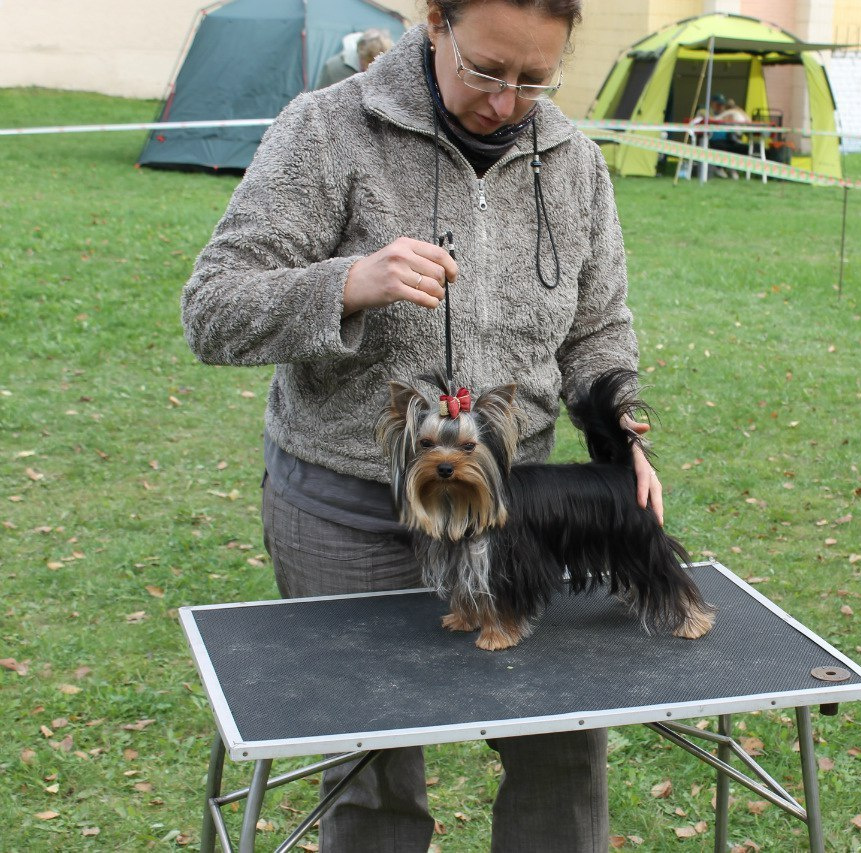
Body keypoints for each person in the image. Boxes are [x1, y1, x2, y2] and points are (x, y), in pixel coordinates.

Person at [181, 0, 663, 850]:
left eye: (535, 78)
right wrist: (345, 284)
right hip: (349, 518)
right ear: (436, 21)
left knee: (561, 750)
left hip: (516, 512)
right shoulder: (328, 130)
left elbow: (598, 330)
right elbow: (212, 310)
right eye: (487, 70)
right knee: (371, 774)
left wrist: (620, 430)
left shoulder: (575, 162)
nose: (507, 102)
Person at [315, 28, 394, 89]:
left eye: (376, 64)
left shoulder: (391, 72)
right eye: (367, 63)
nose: (369, 68)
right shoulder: (333, 69)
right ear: (359, 53)